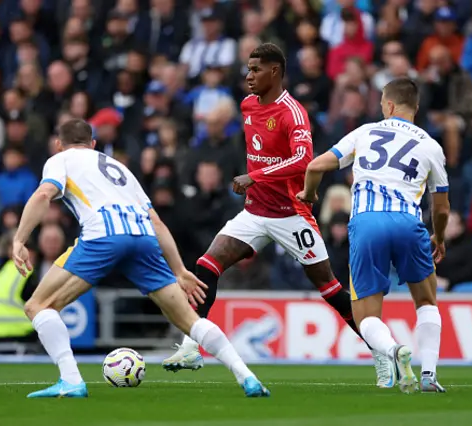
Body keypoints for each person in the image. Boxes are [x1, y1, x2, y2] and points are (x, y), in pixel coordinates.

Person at [162, 43, 395, 388]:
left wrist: (253, 176)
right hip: (254, 213)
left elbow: (303, 161)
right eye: (248, 69)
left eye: (256, 69)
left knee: (329, 289)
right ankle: (191, 346)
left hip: (292, 214)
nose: (249, 76)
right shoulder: (246, 106)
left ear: (275, 72)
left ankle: (380, 353)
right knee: (206, 266)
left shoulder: (293, 113)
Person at [12, 119, 270, 398]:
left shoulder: (60, 159)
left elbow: (43, 194)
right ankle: (248, 377)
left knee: (38, 305)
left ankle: (71, 380)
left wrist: (20, 239)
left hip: (104, 237)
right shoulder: (119, 168)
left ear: (58, 144)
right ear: (94, 144)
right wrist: (180, 270)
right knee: (188, 320)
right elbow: (156, 222)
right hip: (143, 240)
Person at [298, 78, 450, 393]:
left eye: (382, 102)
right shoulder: (431, 145)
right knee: (426, 299)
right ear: (416, 107)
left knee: (365, 315)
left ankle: (395, 351)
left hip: (367, 222)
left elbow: (315, 166)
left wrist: (309, 195)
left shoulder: (365, 132)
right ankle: (429, 376)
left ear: (390, 105)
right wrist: (440, 236)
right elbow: (442, 206)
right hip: (409, 222)